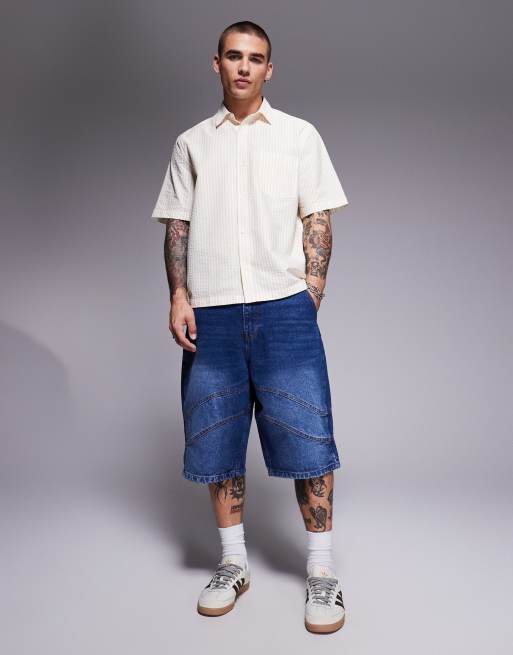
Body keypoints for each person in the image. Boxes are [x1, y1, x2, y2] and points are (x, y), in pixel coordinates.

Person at [150, 20, 349, 634]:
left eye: (255, 58)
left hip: (284, 308)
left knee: (308, 437)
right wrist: (179, 294)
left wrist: (309, 295)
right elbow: (178, 225)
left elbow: (317, 219)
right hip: (209, 312)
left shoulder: (298, 136)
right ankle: (233, 563)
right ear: (216, 64)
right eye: (233, 56)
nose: (243, 67)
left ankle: (322, 572)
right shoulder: (191, 144)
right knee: (217, 438)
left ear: (269, 68)